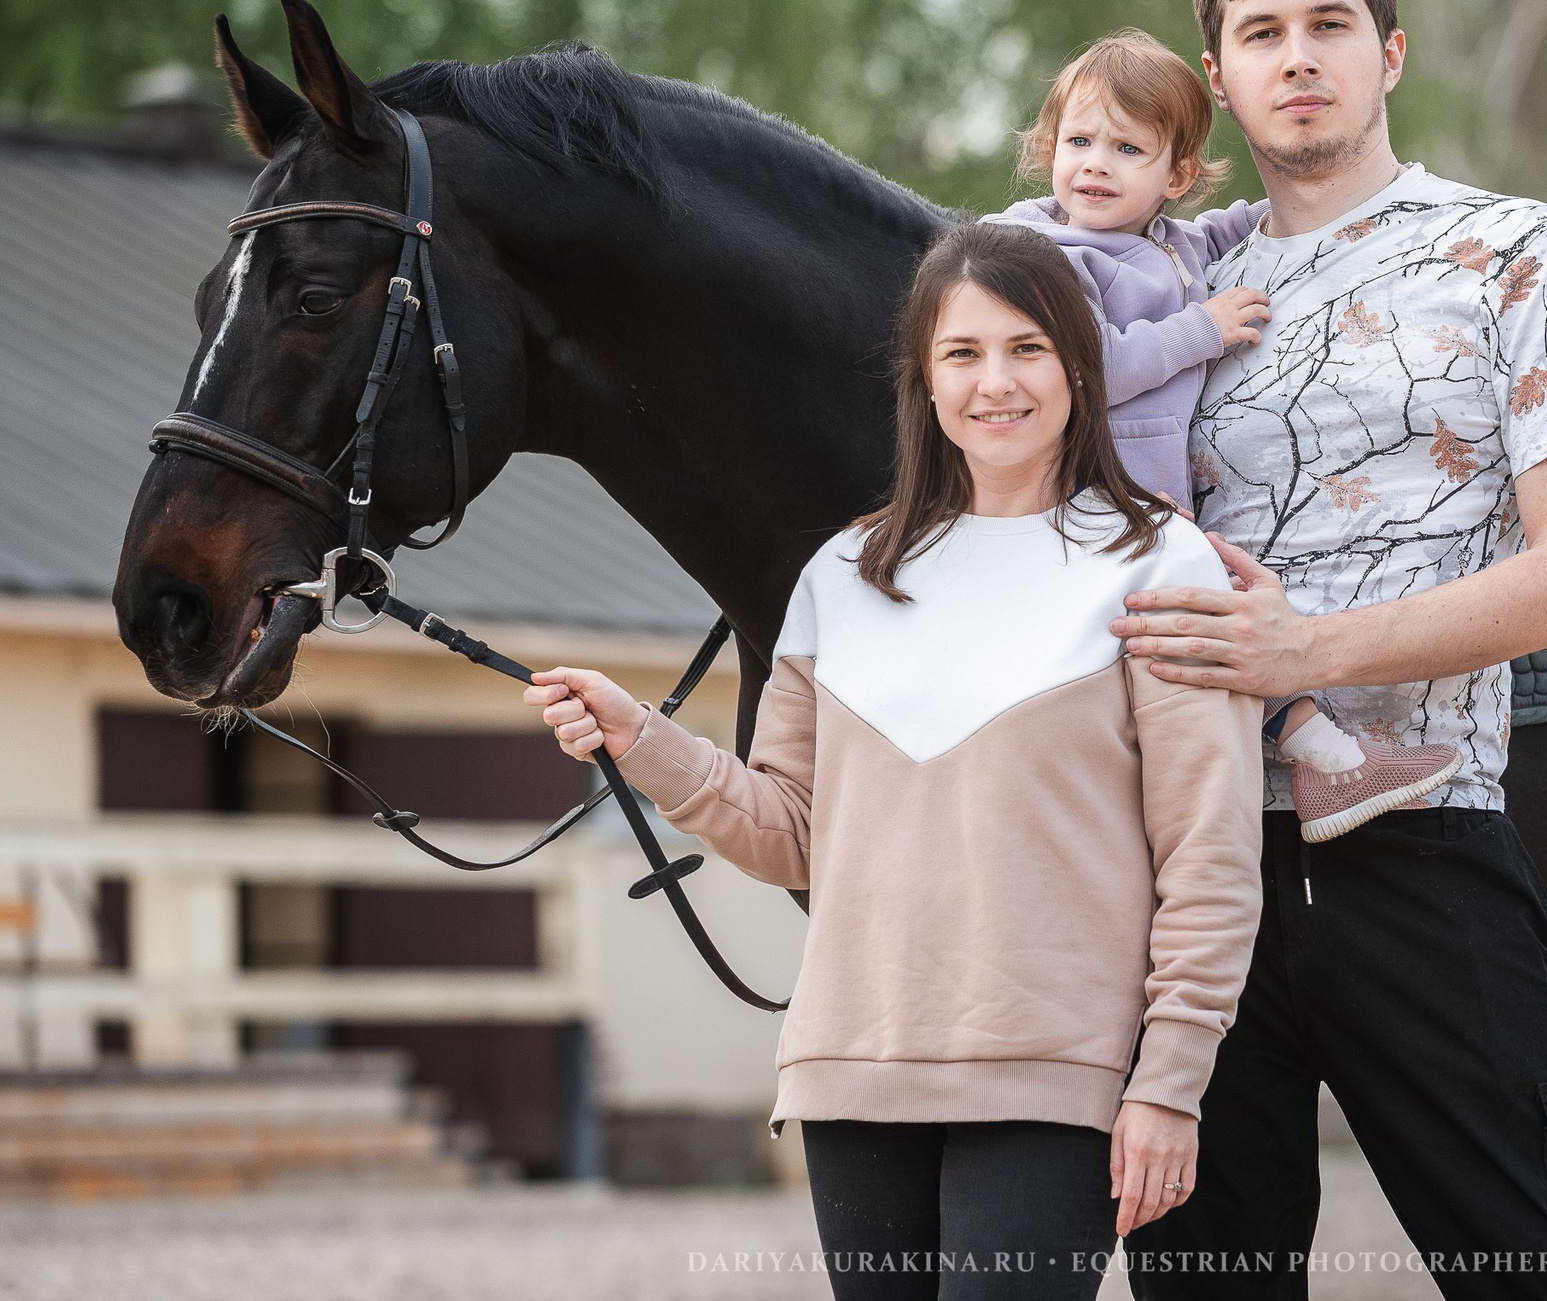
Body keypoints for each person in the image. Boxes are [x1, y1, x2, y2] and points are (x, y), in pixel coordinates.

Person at [526, 221, 1264, 1299]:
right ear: (923, 377)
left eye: (1026, 348)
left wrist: (1169, 1082)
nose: (993, 382)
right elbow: (790, 833)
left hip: (1053, 1073)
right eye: (962, 353)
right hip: (852, 1066)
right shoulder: (843, 572)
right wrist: (643, 740)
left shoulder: (1159, 563)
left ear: (1077, 363)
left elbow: (1207, 852)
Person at [1113, 0, 1547, 1299]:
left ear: (1390, 55)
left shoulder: (1521, 252)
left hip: (1419, 845)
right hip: (1189, 873)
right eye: (1260, 34)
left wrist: (1304, 646)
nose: (1298, 57)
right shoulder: (1170, 286)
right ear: (1219, 83)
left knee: (1534, 1274)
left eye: (1328, 26)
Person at [987, 28, 1464, 844]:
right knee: (1213, 618)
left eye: (1127, 148)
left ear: (1174, 177)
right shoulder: (1048, 256)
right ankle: (1326, 762)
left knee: (1223, 621)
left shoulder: (1169, 242)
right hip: (1086, 501)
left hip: (1151, 505)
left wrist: (1335, 181)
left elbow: (1253, 218)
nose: (1095, 164)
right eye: (1079, 141)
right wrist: (1202, 329)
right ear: (1050, 148)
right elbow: (1087, 364)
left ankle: (1320, 765)